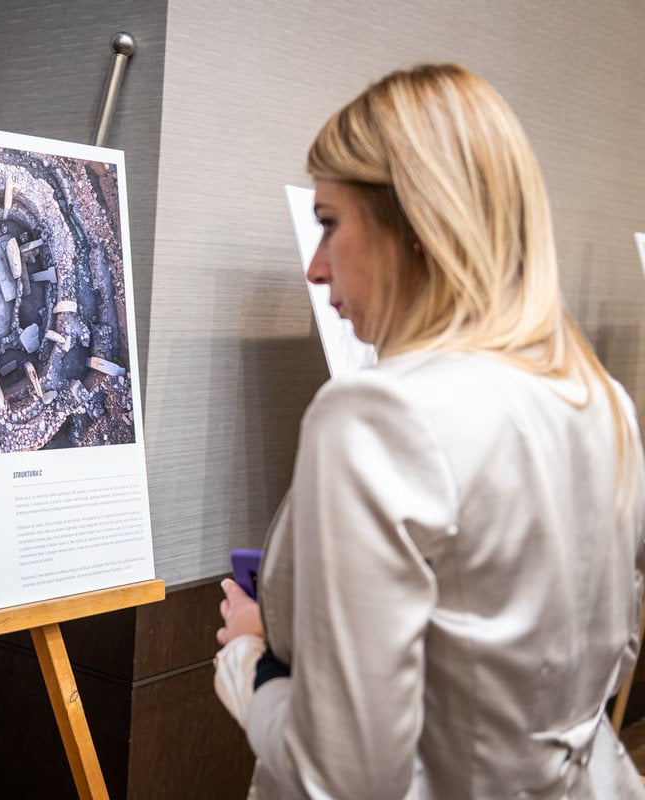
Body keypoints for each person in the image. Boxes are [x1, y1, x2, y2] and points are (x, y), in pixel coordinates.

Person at [214, 64, 645, 799]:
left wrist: (252, 663)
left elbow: (341, 779)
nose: (314, 268)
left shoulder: (376, 415)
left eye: (329, 223)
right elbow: (601, 655)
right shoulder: (604, 403)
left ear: (415, 225)